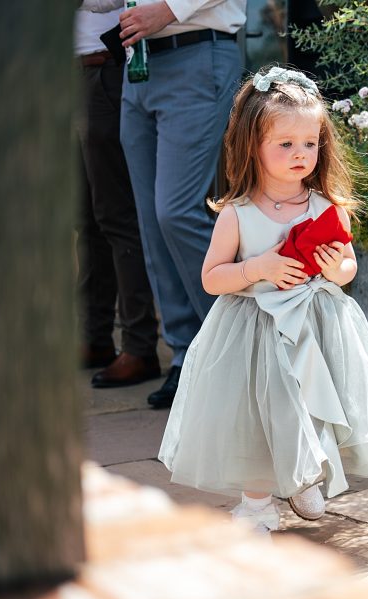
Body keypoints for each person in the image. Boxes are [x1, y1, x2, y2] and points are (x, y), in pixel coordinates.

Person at [156, 67, 368, 534]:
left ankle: (305, 476)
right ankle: (256, 506)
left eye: (310, 142)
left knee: (315, 400)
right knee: (258, 415)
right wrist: (258, 267)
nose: (301, 153)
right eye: (285, 144)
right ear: (251, 146)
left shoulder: (326, 207)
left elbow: (347, 269)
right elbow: (212, 279)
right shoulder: (237, 214)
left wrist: (332, 267)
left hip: (316, 325)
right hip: (255, 330)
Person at [80, 0, 246, 408]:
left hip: (196, 53)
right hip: (140, 66)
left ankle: (237, 347)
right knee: (151, 224)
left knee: (175, 212)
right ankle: (186, 355)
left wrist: (170, 9)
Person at [74, 7, 161, 386]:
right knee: (86, 216)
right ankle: (94, 338)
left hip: (108, 69)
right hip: (74, 74)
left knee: (116, 214)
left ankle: (139, 346)